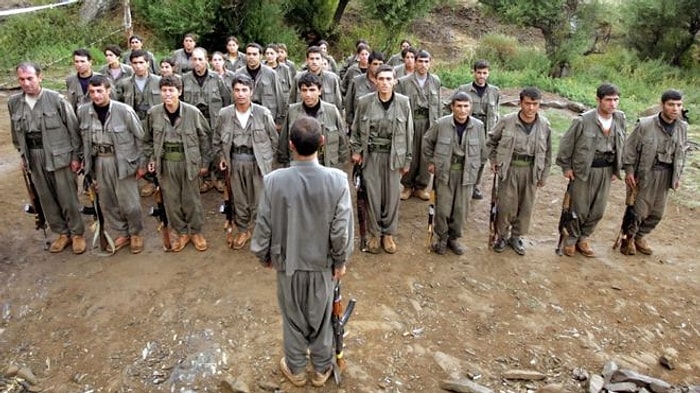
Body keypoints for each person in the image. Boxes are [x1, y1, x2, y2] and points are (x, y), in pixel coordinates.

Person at [250, 116, 353, 388]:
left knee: (293, 320)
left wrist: (263, 255)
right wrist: (340, 260)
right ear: (322, 143)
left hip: (287, 265)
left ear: (290, 144)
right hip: (323, 266)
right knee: (321, 320)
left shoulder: (273, 181)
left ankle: (295, 368)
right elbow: (340, 230)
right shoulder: (338, 180)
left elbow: (264, 223)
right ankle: (321, 370)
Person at [9, 62, 86, 254]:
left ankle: (77, 233)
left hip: (59, 155)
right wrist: (23, 155)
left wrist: (76, 157)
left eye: (30, 78)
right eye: (21, 79)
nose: (26, 83)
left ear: (40, 77)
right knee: (46, 198)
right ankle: (62, 233)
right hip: (34, 156)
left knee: (67, 197)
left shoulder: (56, 100)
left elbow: (73, 129)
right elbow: (15, 134)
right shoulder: (14, 103)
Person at [555, 83, 626, 257]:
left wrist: (617, 167)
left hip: (606, 170)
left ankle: (584, 237)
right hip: (584, 170)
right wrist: (566, 166)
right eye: (608, 100)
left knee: (598, 209)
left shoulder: (620, 119)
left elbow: (621, 144)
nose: (612, 104)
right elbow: (566, 144)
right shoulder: (582, 121)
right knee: (578, 208)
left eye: (616, 100)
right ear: (598, 100)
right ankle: (571, 238)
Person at [78, 75, 145, 254]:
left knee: (129, 203)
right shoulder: (84, 112)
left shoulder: (124, 111)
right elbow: (82, 141)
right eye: (92, 92)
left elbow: (140, 139)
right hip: (100, 160)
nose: (96, 95)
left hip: (123, 161)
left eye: (100, 91)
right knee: (108, 201)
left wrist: (141, 164)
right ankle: (122, 232)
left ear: (108, 90)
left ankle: (135, 232)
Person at [144, 76, 212, 252]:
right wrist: (152, 159)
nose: (167, 94)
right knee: (171, 200)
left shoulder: (192, 113)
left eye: (171, 90)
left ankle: (196, 232)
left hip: (189, 162)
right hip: (166, 163)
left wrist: (205, 162)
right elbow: (147, 140)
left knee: (192, 200)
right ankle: (182, 232)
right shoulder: (154, 113)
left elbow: (205, 138)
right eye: (164, 90)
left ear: (179, 92)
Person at [350, 64, 413, 254]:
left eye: (388, 79)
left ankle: (389, 234)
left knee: (392, 196)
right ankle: (375, 233)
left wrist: (407, 159)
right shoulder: (364, 102)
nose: (385, 83)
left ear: (395, 81)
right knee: (372, 195)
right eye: (381, 79)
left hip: (394, 156)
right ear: (375, 81)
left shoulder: (403, 102)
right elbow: (355, 129)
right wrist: (356, 150)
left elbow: (410, 133)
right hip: (372, 155)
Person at [212, 74, 278, 250]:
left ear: (251, 91)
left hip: (257, 163)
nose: (240, 94)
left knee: (260, 200)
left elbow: (274, 140)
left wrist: (266, 160)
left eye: (244, 90)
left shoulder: (263, 113)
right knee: (239, 200)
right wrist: (222, 157)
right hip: (234, 162)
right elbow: (217, 140)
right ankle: (243, 230)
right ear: (232, 92)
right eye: (237, 90)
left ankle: (262, 232)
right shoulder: (225, 114)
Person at [619, 89, 688, 256]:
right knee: (638, 210)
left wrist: (677, 175)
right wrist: (629, 171)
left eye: (678, 105)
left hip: (666, 175)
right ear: (662, 105)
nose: (675, 108)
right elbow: (629, 149)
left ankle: (640, 236)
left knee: (657, 213)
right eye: (671, 104)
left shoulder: (682, 127)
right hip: (644, 174)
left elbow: (681, 153)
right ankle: (628, 238)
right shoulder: (645, 124)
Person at [487, 87, 552, 256]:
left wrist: (544, 175)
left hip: (531, 171)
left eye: (535, 104)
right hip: (509, 168)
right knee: (506, 205)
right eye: (527, 104)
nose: (531, 108)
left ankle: (516, 237)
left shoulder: (544, 125)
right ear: (520, 103)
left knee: (526, 206)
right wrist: (494, 160)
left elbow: (549, 153)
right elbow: (491, 140)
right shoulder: (507, 121)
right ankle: (502, 236)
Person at [423, 92, 486, 255]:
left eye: (466, 106)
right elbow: (427, 142)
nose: (462, 110)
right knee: (443, 208)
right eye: (459, 106)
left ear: (471, 107)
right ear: (452, 107)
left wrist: (477, 176)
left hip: (466, 174)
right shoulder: (441, 124)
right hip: (445, 172)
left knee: (461, 209)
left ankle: (453, 238)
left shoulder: (478, 126)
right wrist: (431, 161)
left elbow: (482, 152)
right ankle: (442, 238)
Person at [181, 47, 231, 193]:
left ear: (206, 61)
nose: (197, 62)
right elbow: (182, 101)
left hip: (214, 120)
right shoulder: (185, 79)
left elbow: (226, 99)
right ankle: (206, 178)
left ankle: (220, 178)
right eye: (194, 59)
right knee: (200, 148)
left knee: (216, 148)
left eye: (200, 59)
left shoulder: (216, 79)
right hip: (195, 121)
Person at [115, 49, 163, 197]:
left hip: (155, 121)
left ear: (148, 63)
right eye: (134, 63)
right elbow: (119, 104)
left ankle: (157, 181)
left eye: (141, 62)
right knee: (138, 150)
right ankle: (147, 178)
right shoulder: (124, 83)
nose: (138, 66)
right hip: (134, 122)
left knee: (156, 149)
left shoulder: (159, 81)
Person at [396, 49, 441, 201]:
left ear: (430, 63)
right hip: (411, 122)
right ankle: (407, 186)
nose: (423, 64)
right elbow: (399, 105)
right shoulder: (404, 82)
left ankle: (421, 186)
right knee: (411, 153)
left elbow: (439, 105)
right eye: (420, 61)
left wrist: (438, 125)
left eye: (426, 61)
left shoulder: (435, 81)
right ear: (414, 62)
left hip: (428, 121)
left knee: (425, 154)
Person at [278, 73, 348, 169]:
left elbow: (342, 140)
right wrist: (285, 164)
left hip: (326, 164)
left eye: (312, 90)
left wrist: (339, 165)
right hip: (299, 165)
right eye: (304, 90)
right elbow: (284, 141)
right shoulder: (292, 111)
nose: (308, 94)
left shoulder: (331, 110)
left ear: (320, 91)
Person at [457, 60, 500, 200]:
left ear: (488, 73)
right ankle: (463, 184)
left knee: (481, 159)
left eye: (484, 73)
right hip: (468, 129)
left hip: (487, 131)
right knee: (466, 156)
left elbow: (496, 112)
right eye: (479, 72)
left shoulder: (494, 91)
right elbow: (449, 106)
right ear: (474, 72)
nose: (481, 76)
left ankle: (475, 185)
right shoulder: (463, 89)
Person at [234, 43, 287, 130]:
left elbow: (280, 97)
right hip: (245, 118)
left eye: (254, 54)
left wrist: (280, 121)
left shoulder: (271, 73)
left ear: (261, 56)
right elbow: (234, 97)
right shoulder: (238, 73)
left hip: (267, 118)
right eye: (249, 54)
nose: (251, 57)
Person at [288, 46, 343, 113]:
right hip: (303, 117)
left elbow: (338, 103)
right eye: (311, 59)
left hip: (326, 118)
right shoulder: (298, 78)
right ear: (307, 60)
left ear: (322, 60)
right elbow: (291, 101)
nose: (314, 62)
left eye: (317, 59)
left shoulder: (333, 79)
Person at [344, 51, 384, 130]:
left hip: (380, 127)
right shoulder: (356, 82)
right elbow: (348, 104)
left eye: (380, 64)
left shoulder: (386, 83)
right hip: (360, 125)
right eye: (375, 64)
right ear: (369, 65)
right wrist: (351, 124)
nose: (378, 67)